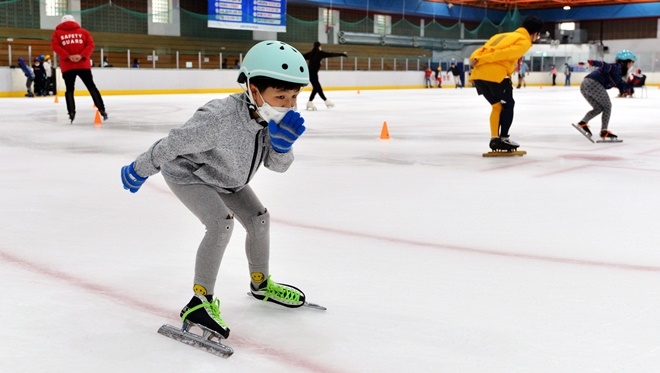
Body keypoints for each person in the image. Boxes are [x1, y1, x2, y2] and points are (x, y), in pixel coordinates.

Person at [120, 40, 312, 341]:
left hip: (228, 178)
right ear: (253, 90)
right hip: (189, 174)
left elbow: (278, 166)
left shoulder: (270, 120)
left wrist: (283, 146)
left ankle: (260, 284)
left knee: (259, 218)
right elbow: (173, 143)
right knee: (221, 223)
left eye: (293, 97)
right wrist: (140, 168)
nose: (288, 105)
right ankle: (199, 302)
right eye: (280, 96)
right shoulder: (218, 117)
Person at [469, 15, 543, 152]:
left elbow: (482, 49)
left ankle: (495, 139)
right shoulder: (524, 41)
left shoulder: (501, 36)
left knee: (497, 106)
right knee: (509, 105)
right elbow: (504, 54)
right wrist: (483, 59)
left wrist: (475, 58)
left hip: (478, 76)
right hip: (495, 76)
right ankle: (503, 138)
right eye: (537, 35)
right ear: (534, 33)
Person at [51, 15, 108, 124]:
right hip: (83, 65)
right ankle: (102, 110)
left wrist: (68, 56)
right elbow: (91, 45)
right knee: (91, 87)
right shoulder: (84, 32)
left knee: (69, 89)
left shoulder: (57, 33)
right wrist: (81, 55)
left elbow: (55, 46)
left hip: (67, 66)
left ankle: (71, 112)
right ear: (74, 22)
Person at [574, 50, 635, 141]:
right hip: (594, 83)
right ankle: (604, 131)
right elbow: (604, 64)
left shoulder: (618, 75)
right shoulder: (617, 67)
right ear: (627, 62)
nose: (632, 66)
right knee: (607, 106)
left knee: (598, 108)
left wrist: (634, 82)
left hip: (585, 85)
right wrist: (591, 62)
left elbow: (623, 87)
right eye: (632, 63)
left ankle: (583, 123)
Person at [302, 41, 348, 110]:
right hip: (313, 73)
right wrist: (342, 54)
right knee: (317, 87)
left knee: (317, 88)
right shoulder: (319, 53)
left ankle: (322, 101)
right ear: (319, 46)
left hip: (310, 73)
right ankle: (314, 102)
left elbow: (302, 56)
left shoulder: (311, 53)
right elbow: (331, 54)